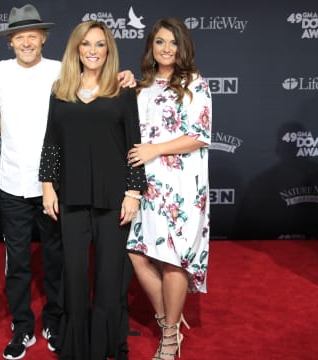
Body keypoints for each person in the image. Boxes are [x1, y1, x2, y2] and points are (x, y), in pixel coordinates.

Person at [0, 4, 137, 359]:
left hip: (55, 186)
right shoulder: (0, 74)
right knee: (17, 261)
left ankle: (53, 322)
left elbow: (100, 82)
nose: (26, 42)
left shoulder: (61, 72)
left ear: (43, 38)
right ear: (10, 41)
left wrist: (125, 75)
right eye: (19, 37)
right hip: (11, 184)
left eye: (32, 36)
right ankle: (22, 328)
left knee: (57, 261)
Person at [39, 20, 146, 360]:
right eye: (86, 44)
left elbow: (134, 144)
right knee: (74, 273)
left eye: (100, 44)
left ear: (109, 50)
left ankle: (105, 345)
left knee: (109, 275)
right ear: (76, 49)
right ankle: (76, 347)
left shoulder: (123, 90)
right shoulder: (60, 90)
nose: (93, 51)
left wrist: (133, 193)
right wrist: (47, 188)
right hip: (70, 196)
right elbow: (51, 144)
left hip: (114, 198)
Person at [125, 18, 212, 360]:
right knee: (137, 251)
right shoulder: (141, 85)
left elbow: (198, 136)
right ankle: (168, 320)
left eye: (172, 43)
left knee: (174, 259)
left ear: (182, 47)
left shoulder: (195, 84)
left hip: (181, 185)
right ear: (151, 46)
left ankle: (171, 337)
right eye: (159, 42)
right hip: (144, 183)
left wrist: (155, 149)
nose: (165, 49)